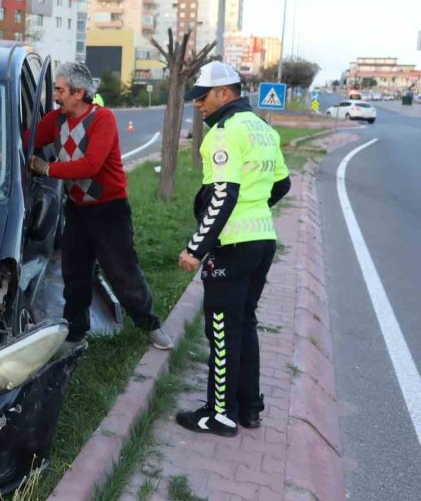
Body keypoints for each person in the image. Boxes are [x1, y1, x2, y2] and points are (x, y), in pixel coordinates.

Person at [174, 61, 291, 437]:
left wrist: (196, 247)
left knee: (222, 330)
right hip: (262, 241)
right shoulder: (263, 129)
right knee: (245, 322)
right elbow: (282, 185)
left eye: (203, 97)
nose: (199, 105)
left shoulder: (224, 133)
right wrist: (254, 212)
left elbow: (223, 194)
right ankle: (249, 408)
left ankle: (220, 415)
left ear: (224, 93)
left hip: (232, 246)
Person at [29, 62, 172, 353]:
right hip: (77, 210)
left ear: (78, 93)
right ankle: (76, 332)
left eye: (60, 90)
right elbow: (26, 140)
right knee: (74, 273)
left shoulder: (102, 119)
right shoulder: (55, 120)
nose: (55, 96)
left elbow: (90, 165)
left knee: (122, 271)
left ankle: (150, 324)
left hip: (110, 211)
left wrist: (47, 169)